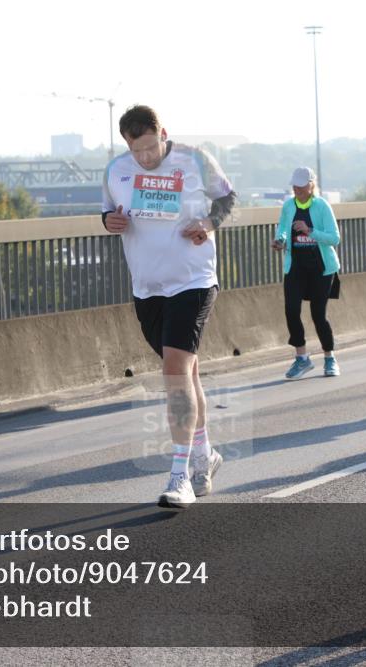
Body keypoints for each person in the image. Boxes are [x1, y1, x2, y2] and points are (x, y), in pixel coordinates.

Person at [102, 105, 237, 509]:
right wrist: (109, 222)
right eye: (136, 151)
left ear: (163, 133)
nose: (145, 157)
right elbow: (108, 212)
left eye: (150, 147)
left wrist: (208, 224)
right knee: (185, 374)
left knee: (175, 371)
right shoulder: (115, 171)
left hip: (193, 279)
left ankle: (180, 476)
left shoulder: (195, 159)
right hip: (147, 287)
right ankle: (205, 454)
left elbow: (227, 199)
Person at [272, 167, 342, 379]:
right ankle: (302, 358)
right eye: (295, 186)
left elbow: (334, 238)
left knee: (318, 315)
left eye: (302, 186)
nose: (298, 190)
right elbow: (283, 229)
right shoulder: (288, 206)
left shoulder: (322, 206)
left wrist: (309, 230)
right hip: (295, 267)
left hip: (321, 268)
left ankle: (329, 357)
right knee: (291, 310)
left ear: (311, 185)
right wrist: (280, 240)